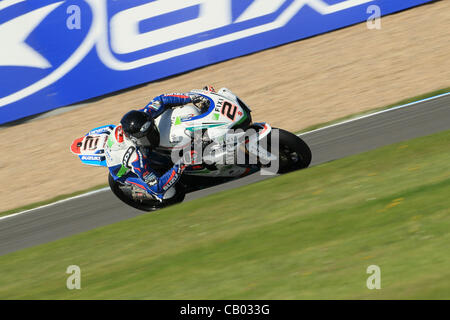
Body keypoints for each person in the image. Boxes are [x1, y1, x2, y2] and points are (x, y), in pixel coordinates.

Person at [104, 90, 212, 201]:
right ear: (135, 139)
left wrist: (192, 97)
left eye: (152, 130)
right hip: (122, 170)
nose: (153, 135)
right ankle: (143, 193)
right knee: (168, 194)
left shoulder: (142, 117)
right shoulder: (135, 158)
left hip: (137, 146)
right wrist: (182, 163)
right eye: (147, 136)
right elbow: (158, 186)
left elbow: (161, 99)